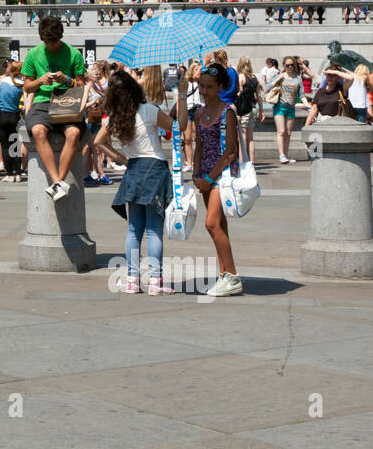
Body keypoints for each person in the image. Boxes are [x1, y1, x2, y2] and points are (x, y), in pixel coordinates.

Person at [92, 69, 180, 295]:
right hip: (154, 169)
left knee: (133, 229)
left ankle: (132, 279)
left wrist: (120, 157)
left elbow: (99, 141)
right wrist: (179, 100)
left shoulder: (114, 116)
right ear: (134, 88)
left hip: (133, 169)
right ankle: (155, 281)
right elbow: (177, 127)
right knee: (153, 230)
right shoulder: (149, 110)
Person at [187, 62, 243, 297]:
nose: (204, 91)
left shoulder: (227, 111)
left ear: (221, 87)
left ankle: (232, 276)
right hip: (206, 175)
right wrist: (197, 173)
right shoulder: (199, 112)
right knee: (219, 226)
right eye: (201, 86)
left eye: (209, 87)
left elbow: (231, 150)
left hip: (222, 174)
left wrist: (210, 178)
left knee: (211, 223)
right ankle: (224, 273)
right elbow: (198, 144)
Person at [20, 15, 87, 200]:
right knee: (38, 131)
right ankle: (58, 181)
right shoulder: (33, 54)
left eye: (54, 41)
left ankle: (58, 182)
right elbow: (26, 87)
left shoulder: (74, 53)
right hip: (42, 101)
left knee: (73, 133)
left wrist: (67, 79)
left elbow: (81, 86)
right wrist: (40, 81)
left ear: (60, 37)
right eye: (47, 42)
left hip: (67, 100)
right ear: (42, 39)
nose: (51, 45)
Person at [0, 62, 26, 182]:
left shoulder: (2, 81)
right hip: (15, 116)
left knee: (5, 146)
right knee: (15, 146)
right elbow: (27, 103)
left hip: (2, 116)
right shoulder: (22, 83)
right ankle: (18, 173)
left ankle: (9, 175)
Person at [272, 57, 305, 164]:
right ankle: (281, 155)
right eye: (287, 65)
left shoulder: (298, 78)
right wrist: (277, 80)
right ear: (284, 66)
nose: (290, 67)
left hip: (291, 108)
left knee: (289, 133)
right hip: (280, 106)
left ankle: (286, 154)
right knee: (281, 131)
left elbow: (302, 94)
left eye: (292, 65)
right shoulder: (280, 76)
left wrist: (307, 104)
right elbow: (267, 88)